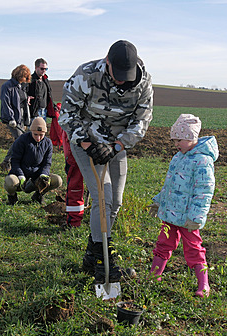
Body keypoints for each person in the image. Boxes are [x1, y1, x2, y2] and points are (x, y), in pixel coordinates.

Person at [59, 40, 153, 283]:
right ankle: (104, 264)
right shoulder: (86, 75)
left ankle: (92, 254)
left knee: (116, 201)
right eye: (117, 74)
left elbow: (141, 121)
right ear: (107, 62)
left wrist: (117, 145)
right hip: (87, 143)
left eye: (127, 75)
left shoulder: (143, 82)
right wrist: (88, 144)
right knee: (103, 197)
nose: (121, 80)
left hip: (116, 145)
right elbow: (67, 114)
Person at [149, 114, 219, 298]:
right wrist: (159, 201)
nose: (176, 145)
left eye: (178, 140)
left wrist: (197, 217)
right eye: (174, 141)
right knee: (163, 243)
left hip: (189, 218)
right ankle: (153, 276)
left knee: (194, 248)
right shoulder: (178, 157)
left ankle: (204, 285)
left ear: (190, 137)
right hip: (171, 214)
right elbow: (170, 186)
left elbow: (205, 191)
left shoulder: (203, 161)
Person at [4, 117, 63, 205]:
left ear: (45, 133)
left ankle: (39, 195)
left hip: (36, 177)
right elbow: (15, 161)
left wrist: (44, 174)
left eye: (41, 135)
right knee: (10, 181)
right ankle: (12, 197)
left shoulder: (48, 143)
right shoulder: (21, 141)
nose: (38, 138)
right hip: (21, 176)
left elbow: (47, 163)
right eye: (35, 134)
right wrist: (20, 176)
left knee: (57, 180)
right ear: (31, 131)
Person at [50, 102, 85, 228]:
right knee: (77, 187)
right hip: (74, 151)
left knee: (75, 188)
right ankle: (76, 221)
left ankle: (75, 221)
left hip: (75, 152)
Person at [0, 65, 32, 172]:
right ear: (19, 75)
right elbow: (6, 103)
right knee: (20, 140)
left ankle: (10, 162)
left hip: (21, 117)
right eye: (25, 77)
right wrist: (10, 118)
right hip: (12, 118)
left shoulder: (20, 86)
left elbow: (21, 102)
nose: (26, 79)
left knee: (20, 140)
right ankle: (7, 162)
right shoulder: (7, 86)